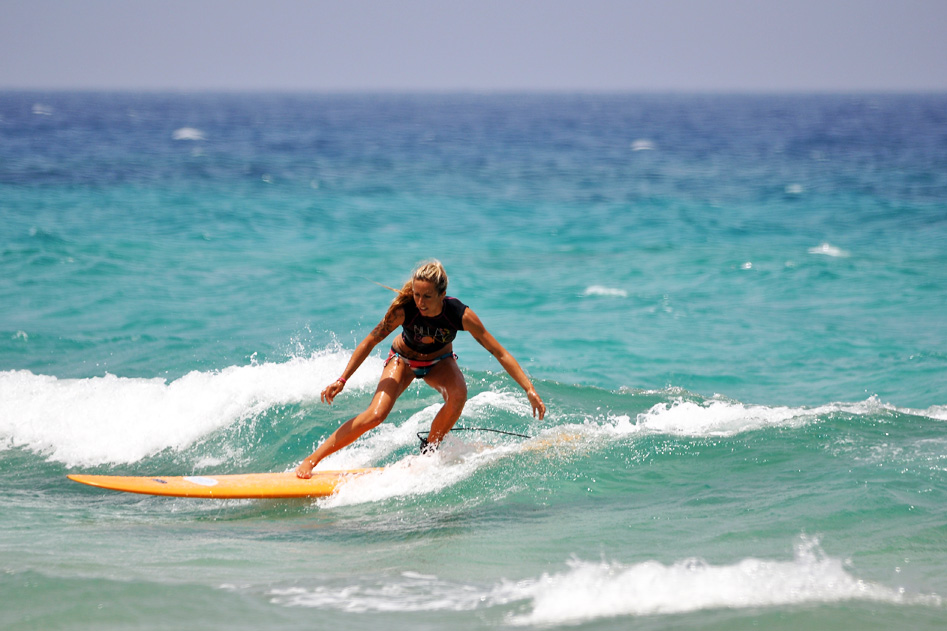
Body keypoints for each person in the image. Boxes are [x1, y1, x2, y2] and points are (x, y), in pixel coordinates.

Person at [296, 260, 546, 478]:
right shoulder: (404, 310)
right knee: (375, 415)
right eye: (417, 294)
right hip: (402, 360)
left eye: (427, 296)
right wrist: (342, 379)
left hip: (439, 363)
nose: (420, 302)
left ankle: (429, 450)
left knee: (458, 395)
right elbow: (371, 340)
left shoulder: (460, 314)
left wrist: (529, 389)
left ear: (442, 294)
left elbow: (498, 351)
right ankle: (312, 459)